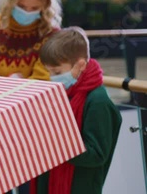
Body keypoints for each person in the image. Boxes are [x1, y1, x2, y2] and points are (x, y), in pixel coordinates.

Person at [33, 26, 122, 194]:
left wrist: (53, 145)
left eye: (57, 72)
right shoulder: (66, 92)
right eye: (49, 72)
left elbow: (96, 154)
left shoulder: (98, 101)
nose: (52, 77)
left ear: (80, 65)